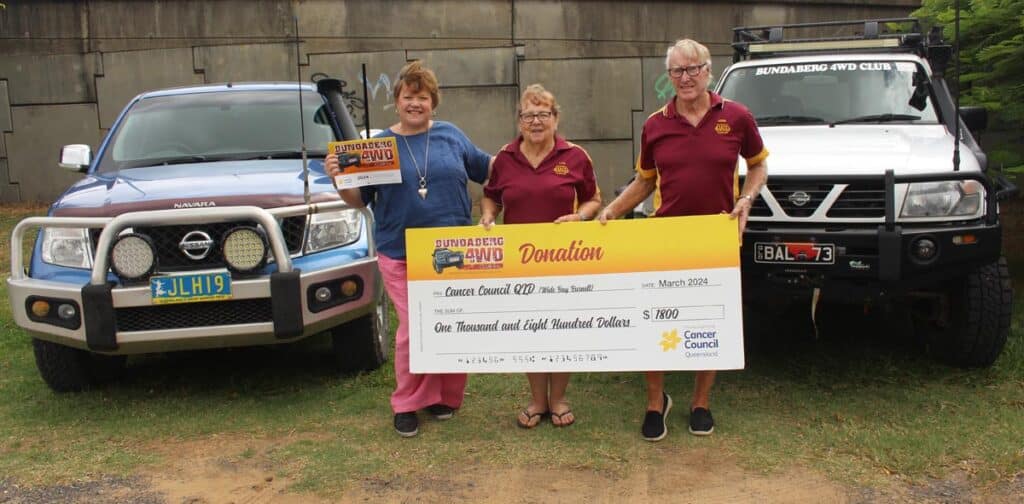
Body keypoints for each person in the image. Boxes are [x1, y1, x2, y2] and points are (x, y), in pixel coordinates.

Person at [598, 39, 768, 441]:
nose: (686, 77)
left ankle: (700, 403)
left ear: (708, 71)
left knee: (708, 324)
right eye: (678, 71)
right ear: (669, 76)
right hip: (666, 238)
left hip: (716, 238)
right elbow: (645, 180)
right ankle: (656, 402)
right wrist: (611, 212)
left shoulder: (737, 117)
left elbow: (759, 167)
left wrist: (746, 198)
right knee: (655, 320)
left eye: (694, 69)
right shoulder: (655, 124)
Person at [325, 61, 493, 438]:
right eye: (408, 97)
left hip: (451, 251)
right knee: (413, 330)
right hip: (399, 251)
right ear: (397, 101)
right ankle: (407, 403)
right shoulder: (378, 148)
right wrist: (339, 178)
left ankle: (444, 396)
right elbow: (358, 200)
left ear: (433, 102)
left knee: (450, 323)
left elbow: (489, 169)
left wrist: (531, 157)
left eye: (423, 97)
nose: (415, 103)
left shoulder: (451, 136)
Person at [480, 84, 602, 429]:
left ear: (556, 118)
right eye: (529, 115)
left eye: (543, 114)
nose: (536, 121)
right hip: (519, 263)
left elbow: (594, 199)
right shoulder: (505, 158)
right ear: (519, 121)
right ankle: (537, 399)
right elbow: (491, 196)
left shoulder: (576, 156)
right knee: (530, 328)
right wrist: (488, 215)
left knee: (562, 328)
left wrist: (580, 217)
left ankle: (559, 398)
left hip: (564, 260)